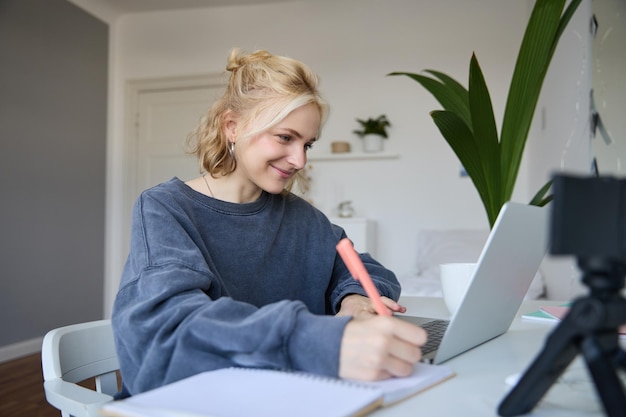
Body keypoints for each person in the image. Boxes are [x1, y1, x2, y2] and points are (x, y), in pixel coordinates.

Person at [112, 48, 427, 396]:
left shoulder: (303, 218)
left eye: (308, 144)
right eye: (285, 137)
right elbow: (171, 330)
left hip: (283, 396)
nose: (300, 159)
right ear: (232, 127)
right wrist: (316, 341)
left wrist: (355, 301)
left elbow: (367, 271)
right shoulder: (165, 208)